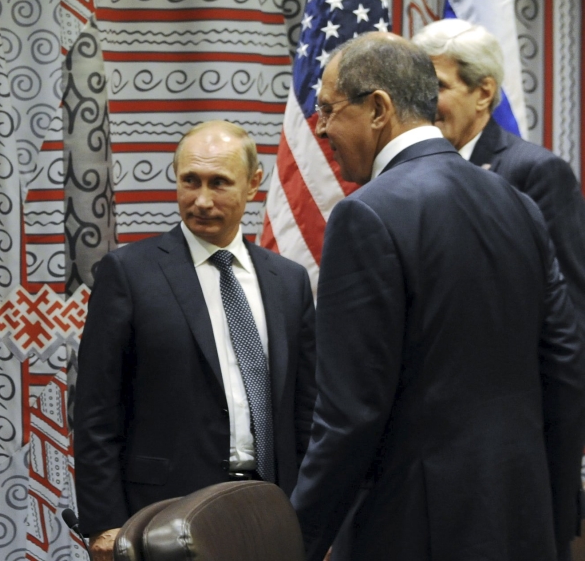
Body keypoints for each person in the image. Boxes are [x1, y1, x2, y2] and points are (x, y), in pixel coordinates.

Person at [290, 32, 585, 561]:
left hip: (415, 528)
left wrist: (298, 542)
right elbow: (565, 370)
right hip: (523, 518)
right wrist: (558, 522)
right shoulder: (517, 204)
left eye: (330, 109)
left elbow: (350, 414)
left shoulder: (365, 216)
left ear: (378, 107)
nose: (321, 127)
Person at [74, 120, 317, 560]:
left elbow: (306, 413)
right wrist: (104, 523)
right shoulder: (129, 274)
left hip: (270, 513)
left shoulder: (289, 282)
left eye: (219, 183)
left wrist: (314, 515)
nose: (201, 200)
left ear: (253, 183)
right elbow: (95, 411)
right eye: (190, 181)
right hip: (162, 516)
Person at [413, 18, 585, 326]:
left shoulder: (535, 172)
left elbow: (571, 303)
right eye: (417, 86)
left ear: (483, 93)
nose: (423, 101)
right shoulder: (407, 173)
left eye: (437, 85)